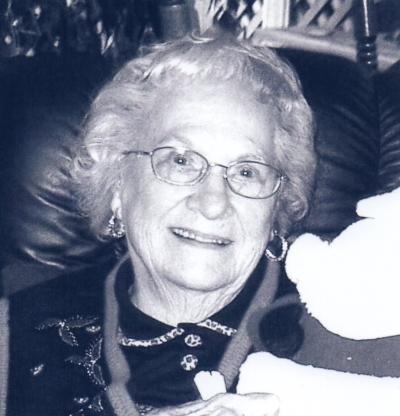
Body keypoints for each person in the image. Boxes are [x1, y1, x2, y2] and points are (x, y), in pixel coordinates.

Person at [0, 34, 316, 416]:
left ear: (276, 204)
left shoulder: (343, 323)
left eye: (247, 172)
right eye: (180, 161)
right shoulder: (17, 331)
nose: (213, 203)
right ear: (117, 184)